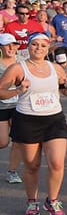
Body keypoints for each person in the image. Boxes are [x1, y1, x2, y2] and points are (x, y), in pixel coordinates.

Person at [0, 34, 67, 215]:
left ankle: (52, 201)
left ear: (47, 48)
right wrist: (18, 90)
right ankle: (32, 201)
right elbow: (1, 91)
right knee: (32, 166)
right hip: (27, 120)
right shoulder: (18, 68)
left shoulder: (56, 68)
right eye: (35, 44)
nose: (38, 48)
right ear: (28, 47)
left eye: (43, 45)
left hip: (54, 120)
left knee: (57, 163)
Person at [0, 33, 24, 184]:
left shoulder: (22, 62)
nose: (11, 48)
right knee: (2, 142)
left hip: (19, 106)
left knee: (19, 139)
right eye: (7, 45)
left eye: (14, 44)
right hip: (1, 106)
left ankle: (12, 171)